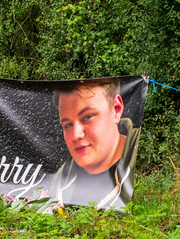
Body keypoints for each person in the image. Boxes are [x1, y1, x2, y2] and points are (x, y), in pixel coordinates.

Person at [49, 79, 141, 209]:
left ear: (116, 109)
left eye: (87, 117)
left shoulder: (145, 160)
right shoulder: (61, 178)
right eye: (68, 125)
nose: (76, 135)